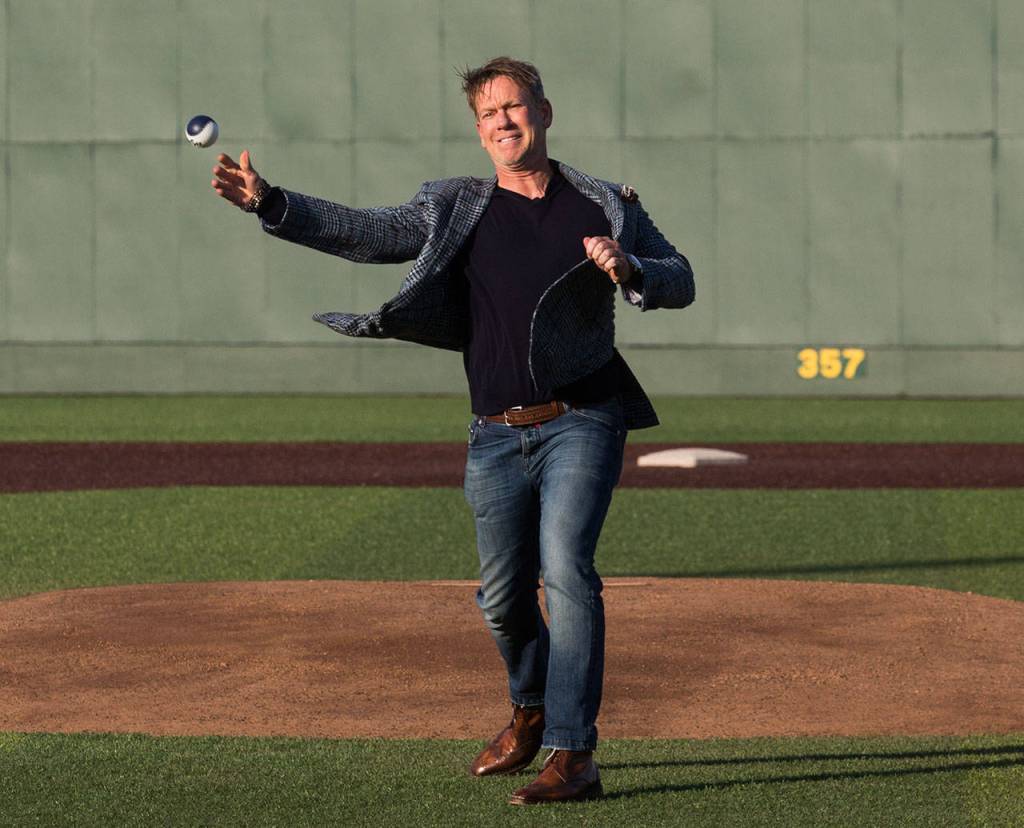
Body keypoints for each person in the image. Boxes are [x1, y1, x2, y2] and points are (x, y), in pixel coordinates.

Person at [212, 56, 694, 805]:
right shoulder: (456, 205)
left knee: (567, 569)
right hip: (494, 433)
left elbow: (680, 276)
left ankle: (575, 754)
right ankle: (530, 709)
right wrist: (273, 204)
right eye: (488, 114)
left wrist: (631, 268)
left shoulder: (603, 202)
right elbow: (371, 233)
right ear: (479, 131)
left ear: (545, 111)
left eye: (514, 106)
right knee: (502, 598)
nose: (502, 121)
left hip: (584, 417)